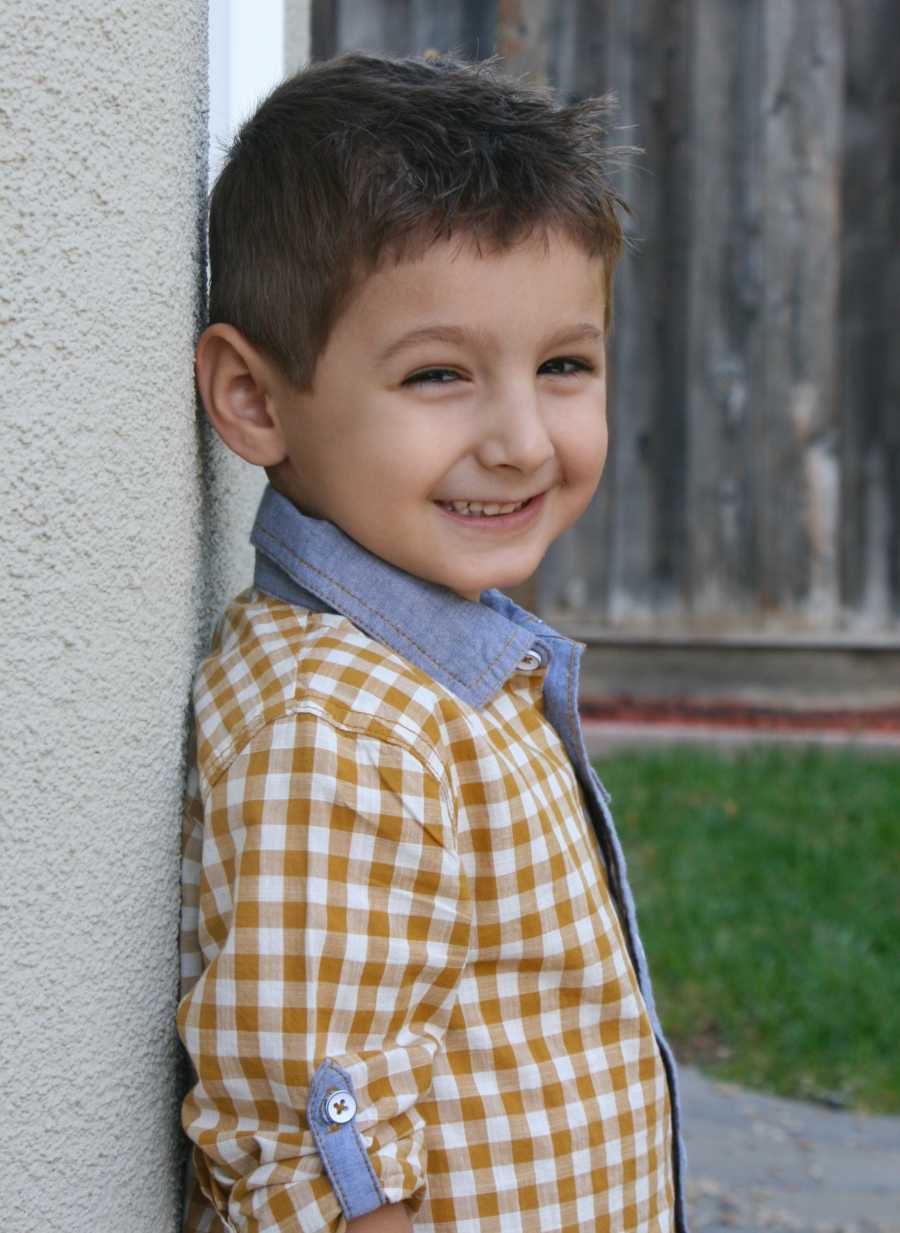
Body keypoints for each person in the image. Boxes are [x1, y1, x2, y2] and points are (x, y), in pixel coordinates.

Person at [178, 51, 686, 1233]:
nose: (519, 440)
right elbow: (315, 1133)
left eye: (564, 364)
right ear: (254, 401)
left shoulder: (439, 673)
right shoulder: (347, 729)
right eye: (440, 374)